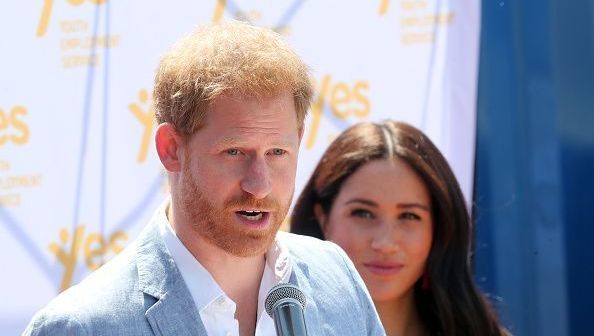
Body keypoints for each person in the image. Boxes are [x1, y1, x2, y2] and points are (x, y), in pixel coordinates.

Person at [24, 21, 384, 336]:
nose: (259, 185)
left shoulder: (337, 281)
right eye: (234, 152)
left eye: (277, 152)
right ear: (171, 149)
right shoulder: (82, 327)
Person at [291, 121, 508, 336]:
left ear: (438, 227)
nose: (385, 244)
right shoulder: (272, 327)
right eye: (363, 213)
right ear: (323, 218)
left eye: (409, 216)